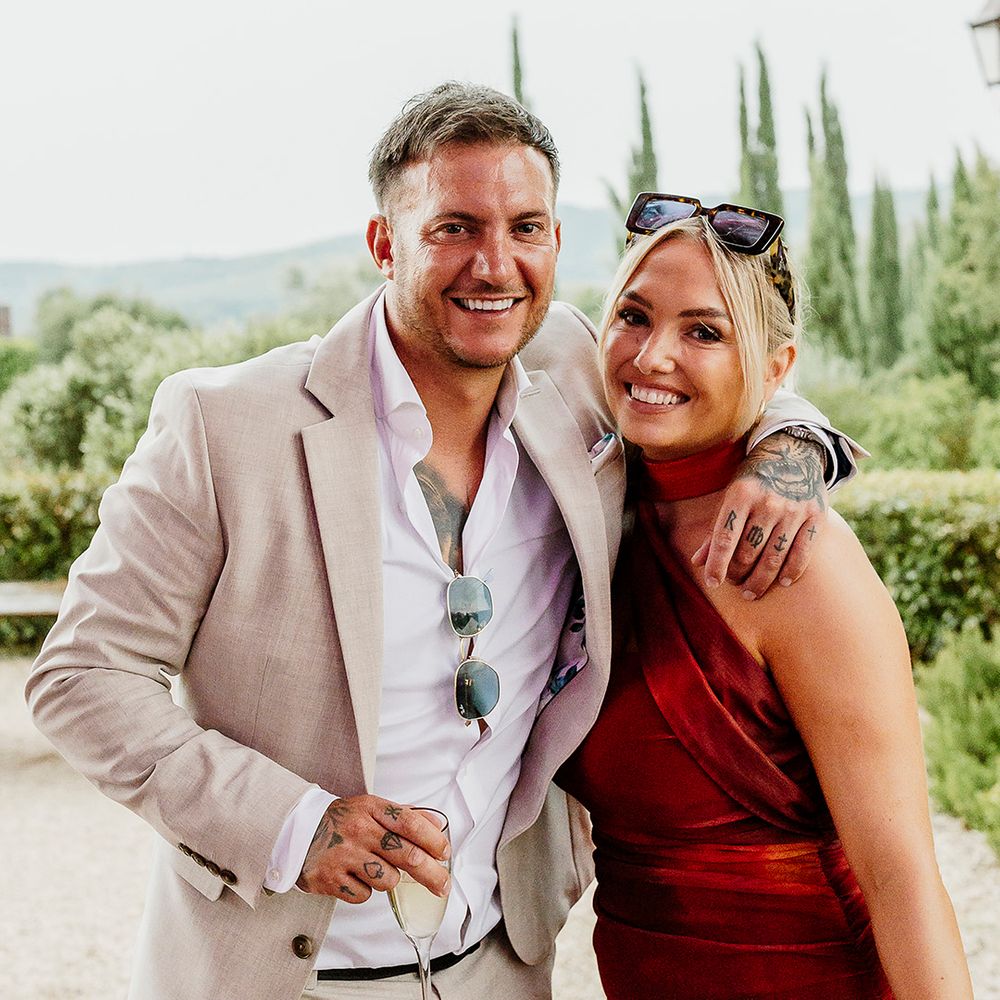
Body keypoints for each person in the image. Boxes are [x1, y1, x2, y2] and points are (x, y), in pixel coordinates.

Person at [26, 86, 856, 1000]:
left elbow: (721, 375)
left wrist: (792, 444)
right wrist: (293, 824)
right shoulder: (226, 425)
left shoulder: (573, 369)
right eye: (455, 227)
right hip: (280, 979)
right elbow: (81, 675)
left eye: (526, 227)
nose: (495, 265)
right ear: (384, 244)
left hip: (504, 967)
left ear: (554, 244)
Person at [557, 197, 972, 1000]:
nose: (652, 357)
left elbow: (903, 881)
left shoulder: (798, 561)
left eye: (704, 332)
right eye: (634, 316)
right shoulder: (597, 510)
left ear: (776, 367)